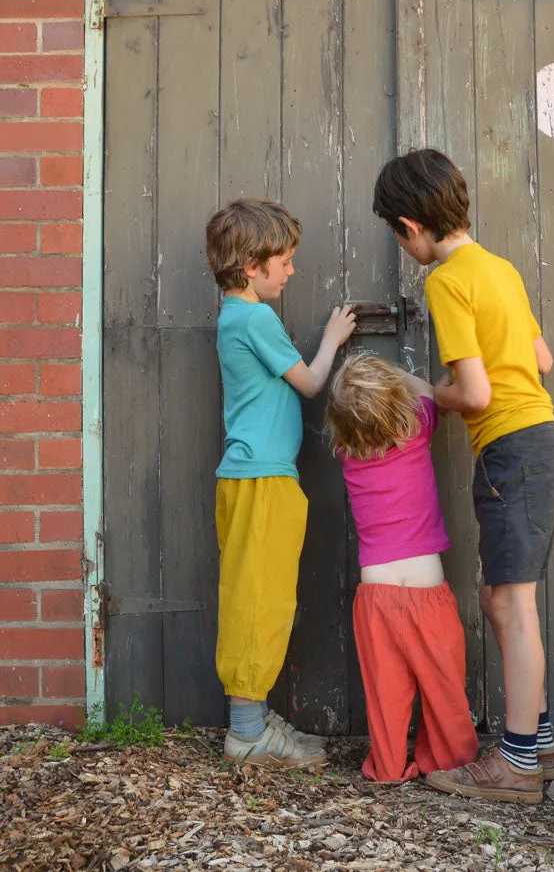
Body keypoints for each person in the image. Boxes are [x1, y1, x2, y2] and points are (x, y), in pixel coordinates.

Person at [373, 149, 554, 804]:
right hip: (539, 442)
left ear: (410, 227)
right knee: (503, 599)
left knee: (510, 604)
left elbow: (477, 392)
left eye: (400, 240)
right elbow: (543, 355)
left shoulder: (448, 280)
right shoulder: (500, 268)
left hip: (510, 449)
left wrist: (424, 389)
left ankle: (514, 766)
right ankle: (536, 744)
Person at [206, 197, 356, 768]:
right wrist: (334, 339)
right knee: (258, 601)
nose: (291, 271)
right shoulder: (255, 317)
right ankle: (246, 732)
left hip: (258, 480)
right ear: (251, 266)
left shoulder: (235, 316)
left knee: (259, 595)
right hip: (262, 481)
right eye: (285, 261)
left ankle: (254, 717)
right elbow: (311, 383)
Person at [325, 353, 479, 782]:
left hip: (375, 598)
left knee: (386, 693)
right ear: (396, 402)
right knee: (444, 686)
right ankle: (451, 762)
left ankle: (389, 766)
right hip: (426, 594)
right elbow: (428, 391)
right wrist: (397, 374)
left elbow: (358, 417)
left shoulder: (346, 453)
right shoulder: (418, 428)